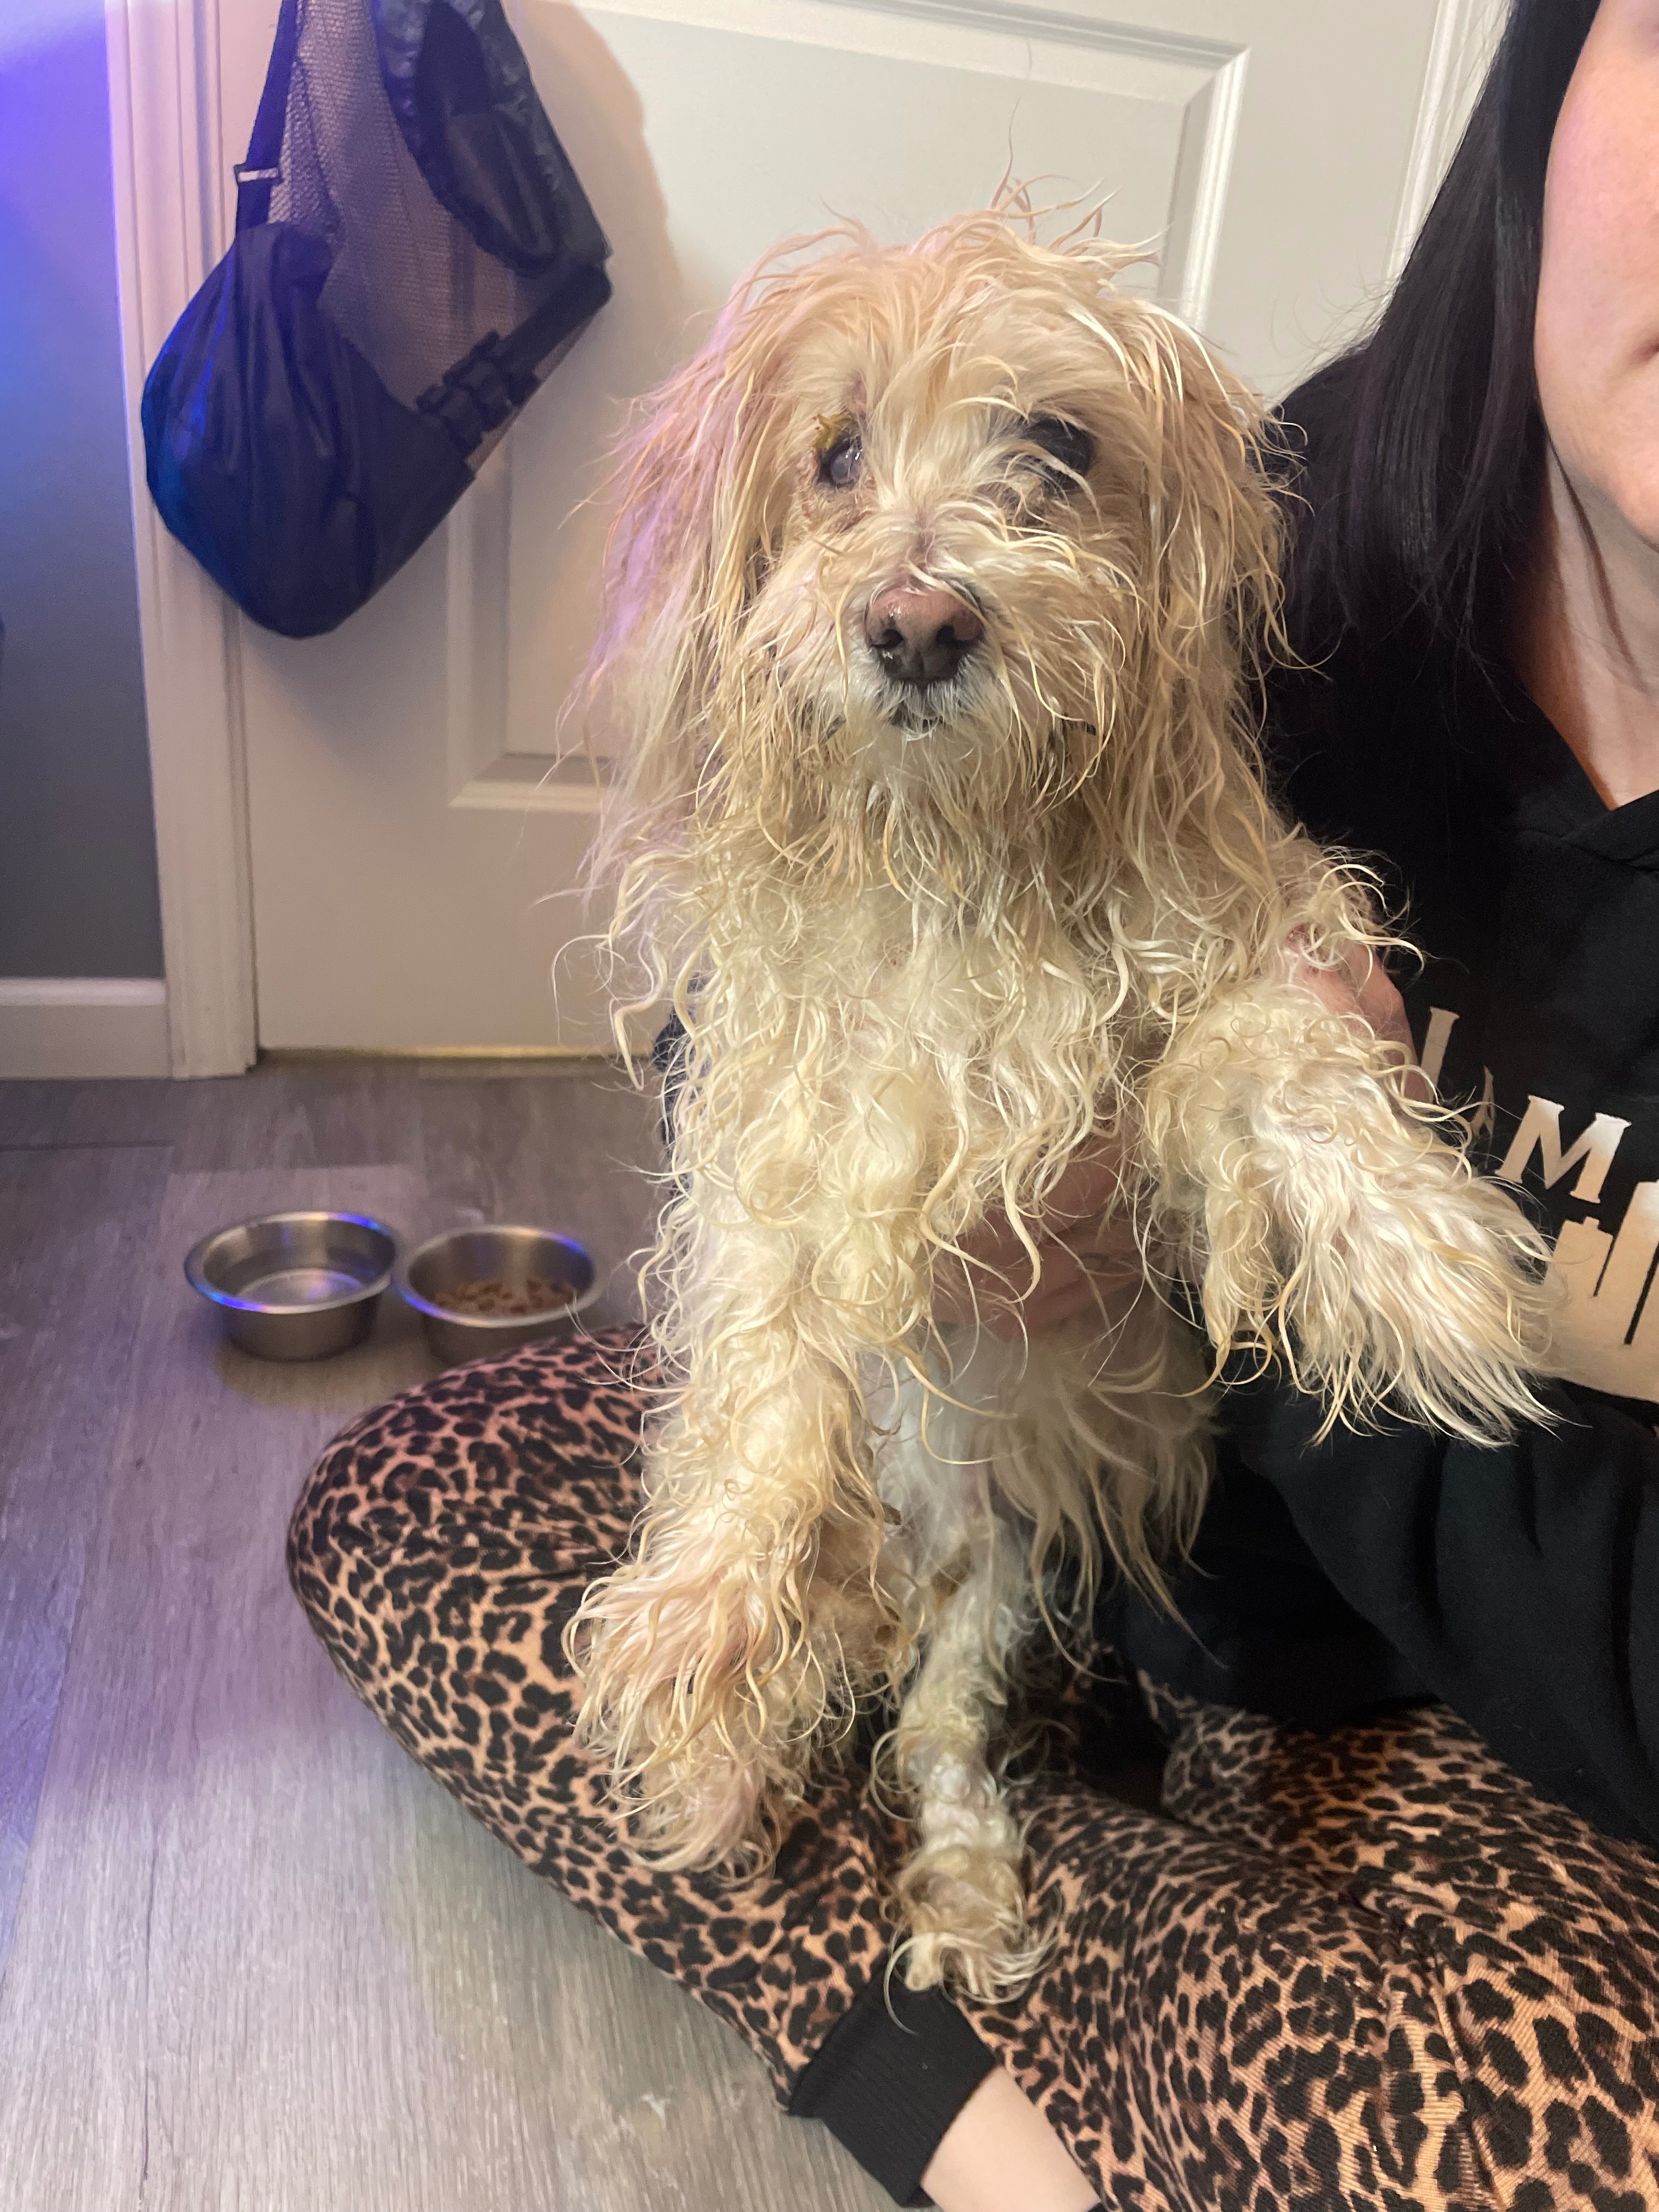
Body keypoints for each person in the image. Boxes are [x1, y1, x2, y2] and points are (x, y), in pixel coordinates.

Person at [287, 1, 1659, 2203]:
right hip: (1045, 1516)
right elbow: (754, 1043)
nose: (922, 582)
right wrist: (853, 1210)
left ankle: (986, 2009)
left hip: (1471, 1699)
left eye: (1043, 462)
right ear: (1553, 75)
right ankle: (1032, 1948)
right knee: (403, 1507)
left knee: (1543, 2134)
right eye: (840, 466)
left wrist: (1206, 1223)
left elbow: (1233, 1015)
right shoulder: (1335, 499)